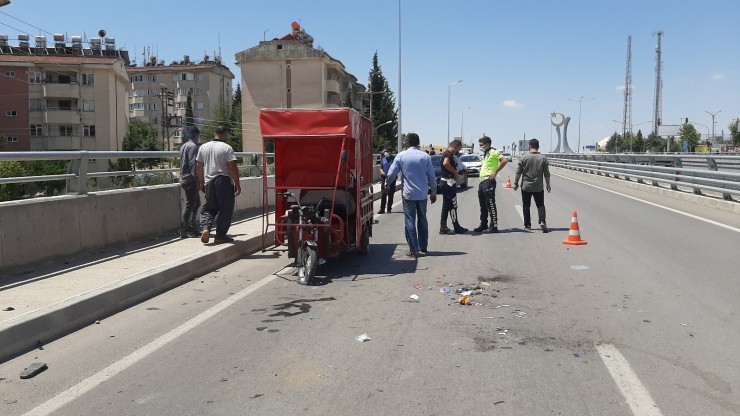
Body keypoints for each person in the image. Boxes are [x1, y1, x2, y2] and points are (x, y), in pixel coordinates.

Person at [386, 133, 437, 258]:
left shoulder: (401, 156)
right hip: (423, 194)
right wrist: (434, 192)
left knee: (410, 221)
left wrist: (387, 185)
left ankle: (414, 250)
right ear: (418, 142)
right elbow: (432, 177)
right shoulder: (425, 157)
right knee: (423, 220)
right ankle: (423, 246)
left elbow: (392, 173)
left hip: (409, 194)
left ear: (407, 142)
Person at [196, 126, 242, 244]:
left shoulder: (203, 147)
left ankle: (206, 228)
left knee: (210, 208)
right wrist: (237, 183)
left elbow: (199, 167)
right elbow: (232, 167)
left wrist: (202, 183)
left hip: (209, 182)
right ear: (225, 134)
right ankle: (220, 235)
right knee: (226, 209)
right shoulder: (227, 148)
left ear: (214, 133)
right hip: (224, 181)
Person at [513, 138, 551, 232]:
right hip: (538, 187)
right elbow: (547, 173)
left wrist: (515, 183)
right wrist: (548, 184)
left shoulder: (524, 157)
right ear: (538, 147)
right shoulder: (543, 158)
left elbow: (518, 172)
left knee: (526, 205)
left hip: (526, 187)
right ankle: (542, 221)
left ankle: (527, 225)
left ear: (529, 147)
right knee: (540, 205)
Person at [474, 136, 508, 233]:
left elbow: (504, 160)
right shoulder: (485, 153)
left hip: (489, 181)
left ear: (487, 144)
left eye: (481, 145)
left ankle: (493, 226)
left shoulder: (494, 152)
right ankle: (483, 224)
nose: (480, 147)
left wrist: (495, 172)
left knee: (490, 204)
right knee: (483, 205)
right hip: (482, 181)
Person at [439, 139, 468, 235]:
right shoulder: (449, 154)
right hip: (448, 183)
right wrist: (455, 172)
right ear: (455, 146)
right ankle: (456, 226)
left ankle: (443, 227)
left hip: (445, 182)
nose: (459, 150)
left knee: (446, 206)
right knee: (453, 206)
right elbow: (446, 163)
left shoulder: (446, 153)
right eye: (459, 148)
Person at [179, 126, 201, 238]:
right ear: (196, 135)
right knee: (191, 204)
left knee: (196, 203)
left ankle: (192, 227)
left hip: (185, 178)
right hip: (190, 180)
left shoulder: (184, 146)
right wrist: (198, 180)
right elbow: (193, 164)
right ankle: (185, 229)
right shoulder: (193, 147)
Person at [378, 147, 396, 214]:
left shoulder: (394, 159)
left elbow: (396, 168)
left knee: (390, 194)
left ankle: (389, 208)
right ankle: (382, 209)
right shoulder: (383, 159)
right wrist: (382, 172)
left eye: (388, 151)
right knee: (383, 194)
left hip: (391, 179)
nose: (386, 153)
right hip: (384, 178)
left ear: (391, 152)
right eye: (386, 151)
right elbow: (381, 168)